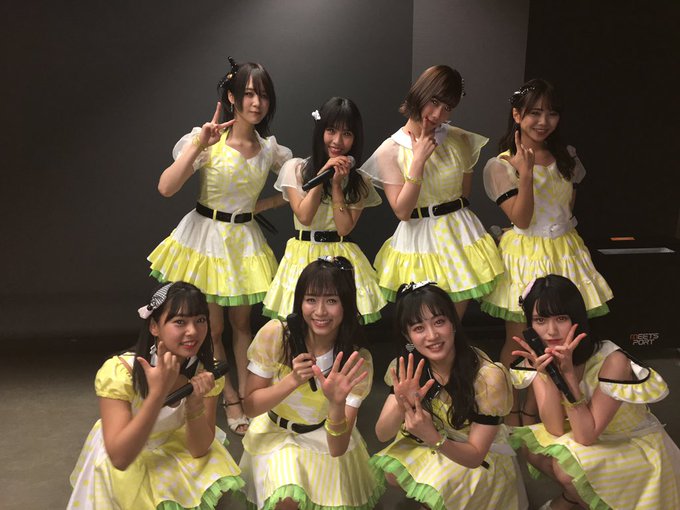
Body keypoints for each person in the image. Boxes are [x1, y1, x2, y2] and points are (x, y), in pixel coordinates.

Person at [147, 58, 292, 435]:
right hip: (205, 240)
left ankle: (247, 395)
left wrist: (267, 204)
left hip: (243, 241)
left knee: (243, 325)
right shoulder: (209, 139)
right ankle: (228, 398)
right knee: (210, 328)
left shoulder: (270, 149)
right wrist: (199, 143)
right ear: (231, 97)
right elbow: (166, 187)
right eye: (249, 94)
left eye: (263, 95)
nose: (257, 103)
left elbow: (299, 183)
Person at [480, 79, 612, 424]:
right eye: (534, 113)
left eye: (551, 113)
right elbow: (522, 219)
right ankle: (510, 411)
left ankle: (540, 409)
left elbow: (567, 207)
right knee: (519, 339)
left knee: (562, 338)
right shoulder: (501, 165)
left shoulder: (566, 156)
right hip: (525, 253)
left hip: (565, 250)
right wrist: (525, 174)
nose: (543, 121)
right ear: (517, 115)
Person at [67, 282, 244, 509]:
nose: (193, 331)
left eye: (200, 320)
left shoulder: (206, 372)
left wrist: (194, 405)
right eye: (180, 322)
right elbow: (120, 458)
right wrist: (157, 395)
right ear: (154, 326)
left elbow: (199, 449)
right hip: (125, 450)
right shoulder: (120, 372)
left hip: (173, 446)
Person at [510, 274, 680, 509]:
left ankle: (578, 500)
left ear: (577, 319)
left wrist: (569, 376)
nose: (551, 331)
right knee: (534, 452)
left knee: (565, 469)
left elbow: (585, 436)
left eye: (561, 318)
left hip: (629, 442)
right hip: (589, 436)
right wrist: (547, 376)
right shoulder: (541, 358)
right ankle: (577, 498)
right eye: (540, 320)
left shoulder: (613, 360)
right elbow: (555, 428)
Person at [359, 65, 503, 319]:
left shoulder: (459, 139)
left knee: (453, 324)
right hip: (418, 241)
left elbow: (464, 193)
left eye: (447, 107)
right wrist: (418, 161)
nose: (438, 114)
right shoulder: (390, 150)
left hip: (459, 236)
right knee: (423, 322)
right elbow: (402, 211)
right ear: (420, 93)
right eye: (434, 102)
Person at [239, 257, 384, 509]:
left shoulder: (356, 361)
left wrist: (336, 404)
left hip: (323, 439)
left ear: (346, 304)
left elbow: (337, 448)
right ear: (300, 302)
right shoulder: (277, 335)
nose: (320, 311)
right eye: (311, 300)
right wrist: (293, 380)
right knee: (286, 498)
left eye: (331, 301)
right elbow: (250, 407)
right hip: (275, 435)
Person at [372, 282, 527, 510]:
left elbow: (475, 456)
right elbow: (382, 434)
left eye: (439, 322)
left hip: (479, 457)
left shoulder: (488, 377)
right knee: (394, 473)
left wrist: (432, 436)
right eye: (419, 328)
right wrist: (401, 401)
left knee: (438, 483)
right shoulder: (407, 368)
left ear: (453, 323)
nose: (432, 335)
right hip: (435, 441)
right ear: (408, 336)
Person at [262, 97, 386, 324]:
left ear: (355, 138)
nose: (337, 141)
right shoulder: (296, 168)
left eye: (346, 133)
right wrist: (322, 176)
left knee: (338, 323)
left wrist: (337, 185)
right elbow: (305, 216)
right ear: (320, 131)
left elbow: (344, 228)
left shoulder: (360, 181)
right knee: (301, 323)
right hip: (303, 254)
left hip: (341, 256)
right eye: (331, 130)